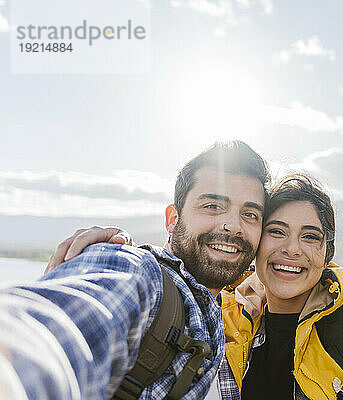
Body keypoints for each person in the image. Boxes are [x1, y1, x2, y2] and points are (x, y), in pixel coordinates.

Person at [42, 0, 343, 398]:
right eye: (276, 231)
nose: (292, 249)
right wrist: (101, 252)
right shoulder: (222, 321)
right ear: (256, 245)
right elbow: (163, 275)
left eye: (311, 237)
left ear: (327, 251)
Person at [0, 141, 270, 399]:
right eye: (212, 206)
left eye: (250, 214)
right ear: (173, 220)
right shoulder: (137, 271)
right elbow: (53, 332)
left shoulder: (240, 313)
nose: (233, 225)